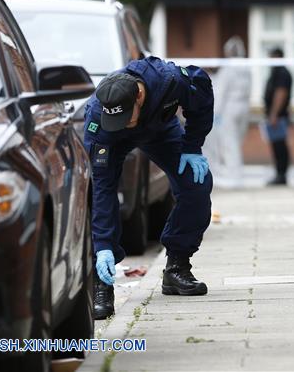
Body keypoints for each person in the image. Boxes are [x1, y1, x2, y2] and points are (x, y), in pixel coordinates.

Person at [84, 57, 214, 319]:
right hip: (112, 141)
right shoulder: (100, 117)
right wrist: (103, 247)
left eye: (124, 115)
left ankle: (177, 267)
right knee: (98, 195)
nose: (121, 120)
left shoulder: (169, 80)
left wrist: (192, 145)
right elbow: (103, 189)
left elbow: (202, 93)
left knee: (197, 183)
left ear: (139, 96)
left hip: (159, 131)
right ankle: (102, 282)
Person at [204, 36, 252, 188]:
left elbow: (221, 93)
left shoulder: (228, 69)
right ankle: (236, 174)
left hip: (230, 109)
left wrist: (215, 114)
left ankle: (234, 177)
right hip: (244, 107)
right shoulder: (247, 68)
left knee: (230, 144)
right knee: (237, 141)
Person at [263, 47, 293, 185]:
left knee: (279, 146)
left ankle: (281, 175)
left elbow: (281, 93)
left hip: (278, 116)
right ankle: (279, 174)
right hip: (275, 115)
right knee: (276, 145)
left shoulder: (282, 73)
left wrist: (274, 114)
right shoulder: (276, 72)